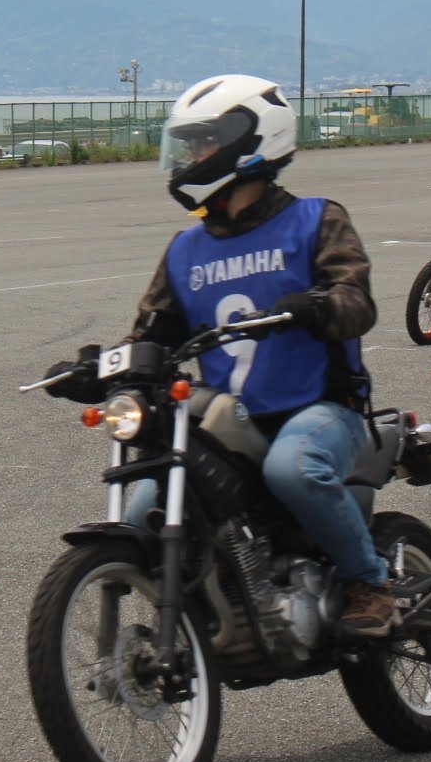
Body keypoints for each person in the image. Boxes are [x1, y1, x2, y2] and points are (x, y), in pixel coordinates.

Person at [44, 73, 394, 637]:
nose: (192, 156)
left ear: (251, 141)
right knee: (142, 511)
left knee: (293, 469)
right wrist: (96, 369)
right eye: (188, 145)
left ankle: (368, 582)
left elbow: (356, 300)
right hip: (229, 421)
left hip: (321, 406)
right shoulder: (187, 248)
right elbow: (151, 332)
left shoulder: (316, 220)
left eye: (204, 143)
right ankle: (198, 624)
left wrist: (316, 307)